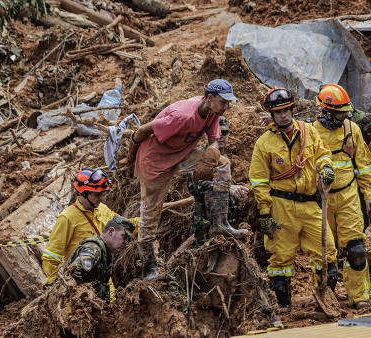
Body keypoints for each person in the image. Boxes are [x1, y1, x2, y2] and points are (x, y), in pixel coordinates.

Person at [129, 79, 242, 280]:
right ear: (209, 98)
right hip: (155, 161)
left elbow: (214, 140)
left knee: (222, 163)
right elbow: (143, 130)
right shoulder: (182, 115)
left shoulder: (213, 112)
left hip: (181, 154)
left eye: (228, 102)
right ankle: (149, 269)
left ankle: (219, 222)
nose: (227, 106)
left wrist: (212, 151)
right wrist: (131, 155)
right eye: (223, 102)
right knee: (150, 213)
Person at [249, 86, 337, 310]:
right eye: (279, 112)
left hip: (309, 203)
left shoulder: (308, 131)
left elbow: (322, 154)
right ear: (272, 114)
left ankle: (325, 298)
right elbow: (259, 181)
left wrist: (326, 168)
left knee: (327, 250)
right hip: (281, 205)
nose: (284, 115)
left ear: (292, 109)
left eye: (287, 110)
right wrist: (265, 213)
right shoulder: (264, 144)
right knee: (280, 258)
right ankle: (284, 305)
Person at [311, 84, 371, 308]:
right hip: (322, 200)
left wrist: (369, 195)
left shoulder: (352, 129)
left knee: (356, 249)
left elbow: (364, 166)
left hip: (349, 196)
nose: (344, 115)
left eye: (345, 111)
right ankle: (325, 296)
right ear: (326, 111)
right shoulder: (311, 132)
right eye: (339, 112)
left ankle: (359, 297)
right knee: (325, 254)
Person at [42, 169, 138, 299]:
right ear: (84, 193)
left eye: (102, 194)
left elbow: (123, 226)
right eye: (97, 194)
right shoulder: (67, 218)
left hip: (104, 281)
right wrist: (55, 286)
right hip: (81, 285)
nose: (101, 198)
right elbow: (51, 256)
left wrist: (144, 222)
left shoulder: (102, 208)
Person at [188, 116, 250, 245]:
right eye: (218, 133)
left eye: (225, 132)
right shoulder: (200, 157)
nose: (222, 136)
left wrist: (237, 188)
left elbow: (227, 184)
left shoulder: (224, 158)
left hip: (229, 222)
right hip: (207, 224)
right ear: (207, 135)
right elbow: (195, 187)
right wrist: (226, 188)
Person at [66, 216, 136, 302]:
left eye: (128, 240)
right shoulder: (94, 249)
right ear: (111, 231)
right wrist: (83, 301)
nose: (126, 243)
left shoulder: (106, 252)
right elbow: (72, 274)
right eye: (124, 237)